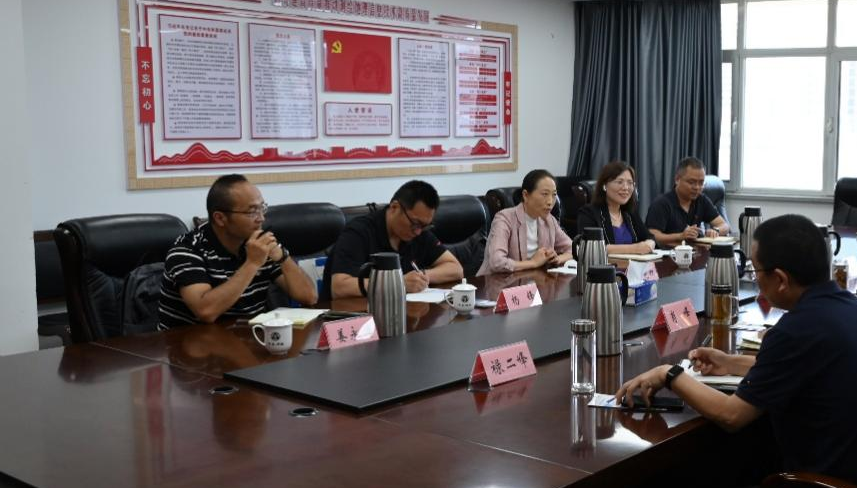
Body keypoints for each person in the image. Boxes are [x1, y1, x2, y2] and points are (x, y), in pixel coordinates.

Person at [616, 214, 857, 488]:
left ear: (781, 279)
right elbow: (806, 368)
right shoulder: (847, 306)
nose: (755, 278)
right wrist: (730, 363)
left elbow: (732, 416)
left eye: (757, 270)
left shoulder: (798, 328)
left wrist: (670, 375)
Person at [158, 174, 317, 329]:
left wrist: (282, 257)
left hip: (249, 337)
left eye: (262, 208)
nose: (261, 218)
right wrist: (252, 263)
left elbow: (309, 297)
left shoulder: (259, 241)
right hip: (188, 342)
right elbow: (206, 312)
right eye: (252, 212)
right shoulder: (187, 250)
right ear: (220, 218)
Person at [326, 180, 463, 298]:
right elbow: (339, 287)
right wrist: (398, 283)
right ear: (394, 207)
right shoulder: (358, 232)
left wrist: (421, 277)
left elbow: (456, 269)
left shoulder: (420, 231)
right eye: (415, 223)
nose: (418, 232)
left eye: (424, 226)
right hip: (353, 315)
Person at [477, 169, 572, 275]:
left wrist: (557, 259)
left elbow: (574, 249)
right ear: (526, 195)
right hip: (498, 281)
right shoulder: (504, 218)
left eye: (554, 195)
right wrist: (533, 263)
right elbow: (497, 262)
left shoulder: (549, 220)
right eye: (545, 194)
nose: (550, 201)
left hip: (533, 281)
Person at [645, 157, 730, 246]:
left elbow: (724, 225)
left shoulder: (701, 200)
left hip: (694, 252)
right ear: (677, 179)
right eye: (691, 182)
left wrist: (716, 231)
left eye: (701, 183)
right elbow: (652, 235)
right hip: (668, 253)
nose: (697, 187)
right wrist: (680, 236)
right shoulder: (661, 203)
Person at [575, 160, 655, 255]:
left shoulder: (629, 212)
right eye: (620, 182)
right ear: (604, 186)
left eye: (630, 183)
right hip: (605, 264)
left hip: (633, 264)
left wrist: (649, 244)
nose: (626, 188)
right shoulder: (588, 213)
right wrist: (635, 248)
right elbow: (590, 247)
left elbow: (649, 237)